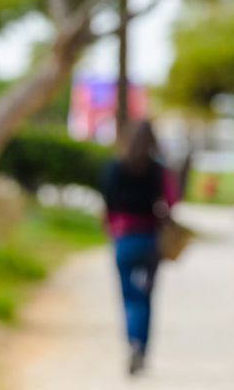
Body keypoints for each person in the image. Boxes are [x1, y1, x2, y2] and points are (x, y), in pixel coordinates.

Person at [100, 120, 179, 376]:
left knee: (128, 297)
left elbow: (108, 202)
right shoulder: (158, 170)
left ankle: (132, 342)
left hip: (123, 238)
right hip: (149, 240)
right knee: (145, 297)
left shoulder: (114, 167)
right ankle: (142, 349)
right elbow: (171, 200)